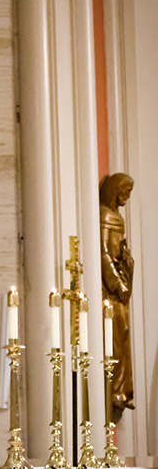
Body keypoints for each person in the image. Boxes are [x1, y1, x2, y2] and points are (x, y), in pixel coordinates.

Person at [100, 173, 136, 424]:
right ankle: (115, 391)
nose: (125, 200)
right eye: (124, 193)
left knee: (123, 337)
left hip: (119, 293)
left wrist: (127, 260)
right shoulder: (104, 217)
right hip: (110, 293)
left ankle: (121, 391)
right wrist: (117, 282)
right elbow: (103, 253)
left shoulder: (117, 218)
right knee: (115, 339)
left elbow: (118, 250)